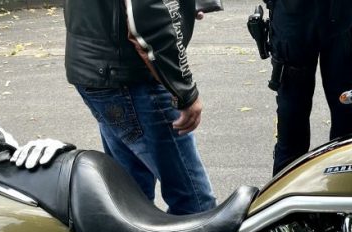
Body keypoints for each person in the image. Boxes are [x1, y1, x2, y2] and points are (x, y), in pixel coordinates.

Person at [16, 0, 216, 215]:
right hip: (128, 76)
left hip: (99, 68)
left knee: (130, 198)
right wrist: (184, 90)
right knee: (196, 204)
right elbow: (147, 19)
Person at [269, 0, 352, 175]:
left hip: (344, 16)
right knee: (291, 122)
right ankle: (287, 189)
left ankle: (345, 186)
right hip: (294, 18)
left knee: (347, 116)